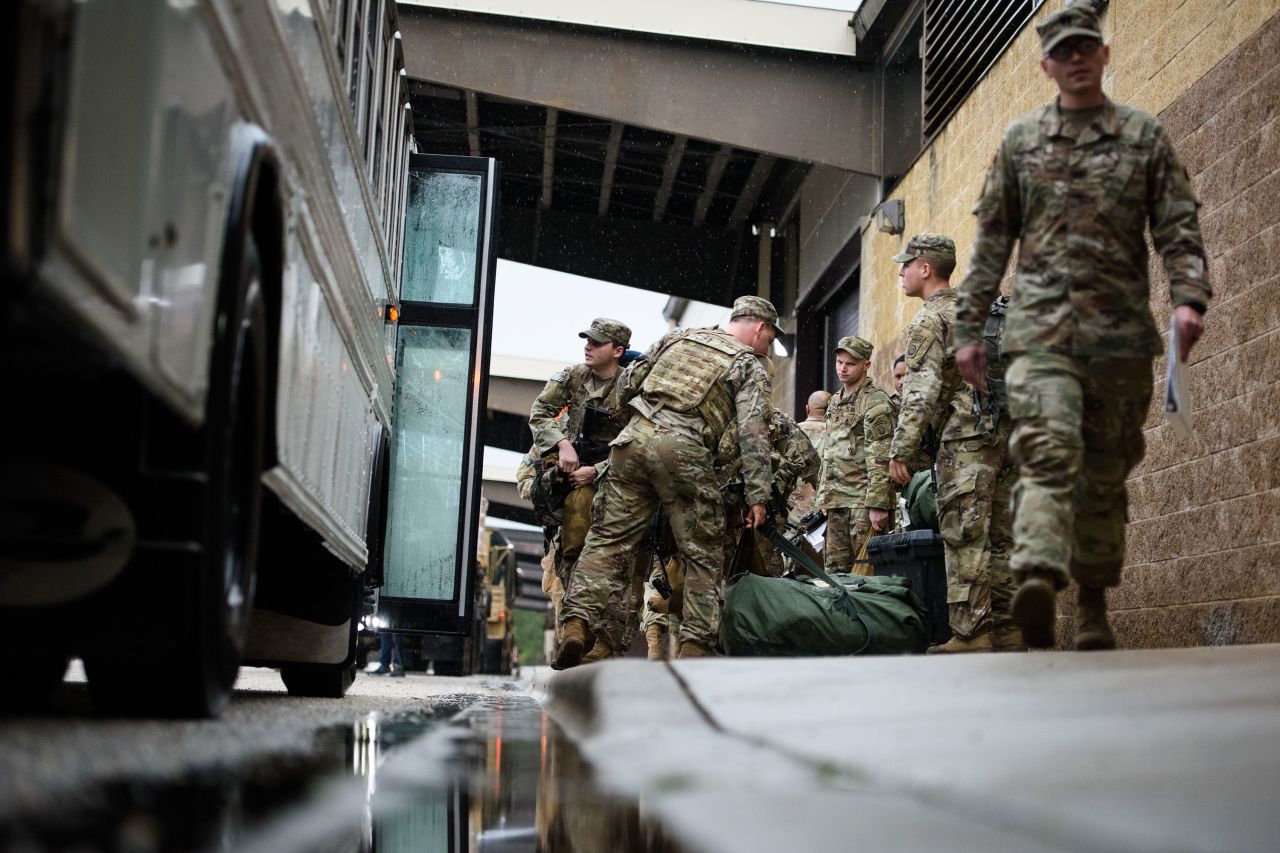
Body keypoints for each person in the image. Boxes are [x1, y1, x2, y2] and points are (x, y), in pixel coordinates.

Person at [954, 2, 1210, 650]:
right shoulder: (1019, 143)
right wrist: (967, 328)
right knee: (1047, 448)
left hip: (1120, 340)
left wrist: (1189, 299)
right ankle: (1039, 576)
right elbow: (989, 244)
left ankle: (1092, 608)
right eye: (1061, 51)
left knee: (1103, 472)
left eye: (1084, 47)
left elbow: (1177, 225)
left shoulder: (1144, 137)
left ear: (1104, 54)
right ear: (1044, 64)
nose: (1074, 59)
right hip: (1042, 336)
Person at [552, 296, 778, 668]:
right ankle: (695, 646)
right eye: (769, 339)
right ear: (758, 328)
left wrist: (643, 424)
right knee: (703, 552)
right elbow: (753, 435)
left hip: (631, 442)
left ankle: (577, 624)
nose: (766, 347)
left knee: (607, 539)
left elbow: (627, 386)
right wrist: (758, 496)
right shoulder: (746, 365)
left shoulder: (678, 338)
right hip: (683, 451)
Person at [888, 233, 1018, 652]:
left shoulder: (931, 319)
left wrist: (901, 450)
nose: (901, 271)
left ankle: (971, 634)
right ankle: (1009, 630)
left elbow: (920, 393)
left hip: (966, 440)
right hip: (1008, 435)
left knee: (964, 534)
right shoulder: (985, 308)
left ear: (926, 269)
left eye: (907, 264)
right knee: (1001, 536)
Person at [815, 336, 895, 573]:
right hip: (836, 502)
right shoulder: (835, 402)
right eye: (839, 362)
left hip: (862, 503)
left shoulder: (876, 402)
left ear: (866, 365)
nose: (843, 368)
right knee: (835, 575)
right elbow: (829, 451)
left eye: (850, 363)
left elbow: (881, 457)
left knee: (867, 575)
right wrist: (824, 495)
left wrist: (878, 505)